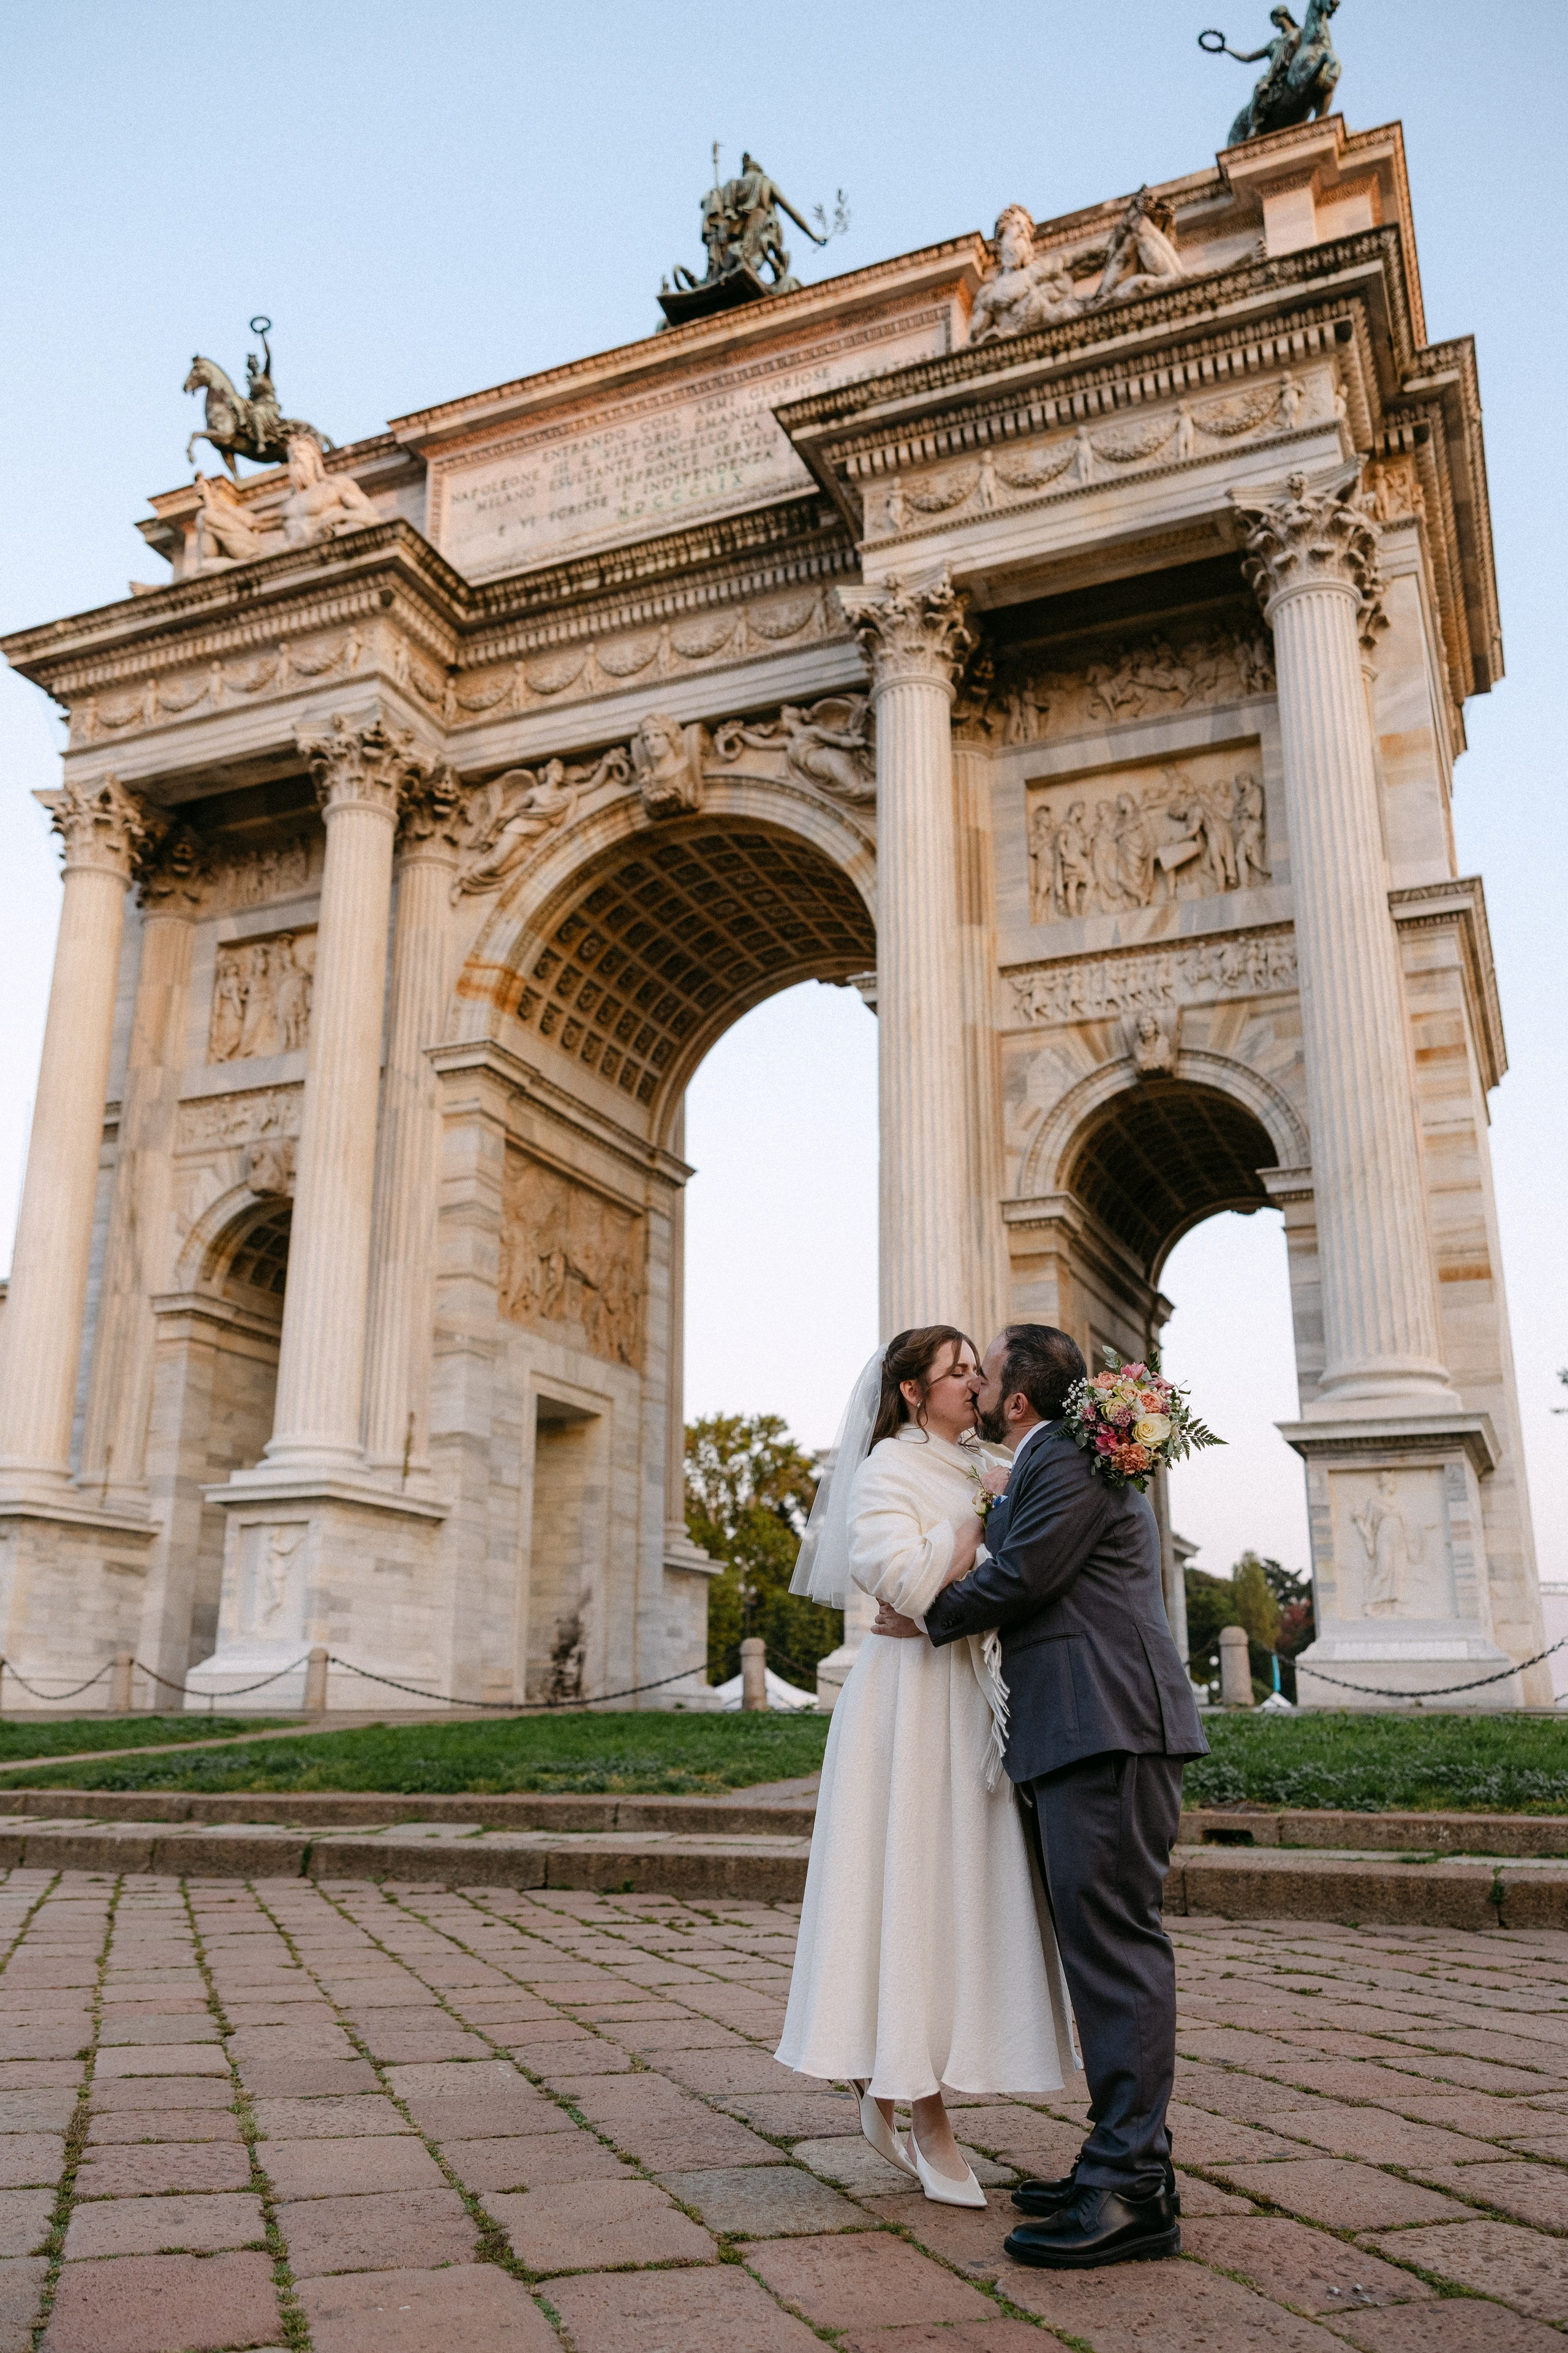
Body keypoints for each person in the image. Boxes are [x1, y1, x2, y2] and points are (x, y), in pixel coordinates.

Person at [875, 1323, 1207, 2269]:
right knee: (1105, 1951)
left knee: (1115, 1953)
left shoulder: (1061, 1452)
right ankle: (1128, 2159)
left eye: (988, 1373)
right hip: (1088, 1726)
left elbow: (1023, 1575)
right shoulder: (1058, 1452)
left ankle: (1131, 2187)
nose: (974, 1384)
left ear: (1019, 1402)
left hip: (1105, 1725)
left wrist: (924, 1614)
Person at [776, 1328, 1079, 2208]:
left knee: (959, 1898)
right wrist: (978, 1517)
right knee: (909, 1894)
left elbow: (998, 1581)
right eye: (958, 1371)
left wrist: (983, 1527)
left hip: (970, 1702)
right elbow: (903, 1583)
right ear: (913, 1391)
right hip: (905, 1708)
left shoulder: (997, 1461)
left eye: (978, 1367)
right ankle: (926, 2111)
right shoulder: (883, 1472)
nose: (979, 1380)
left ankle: (890, 2083)